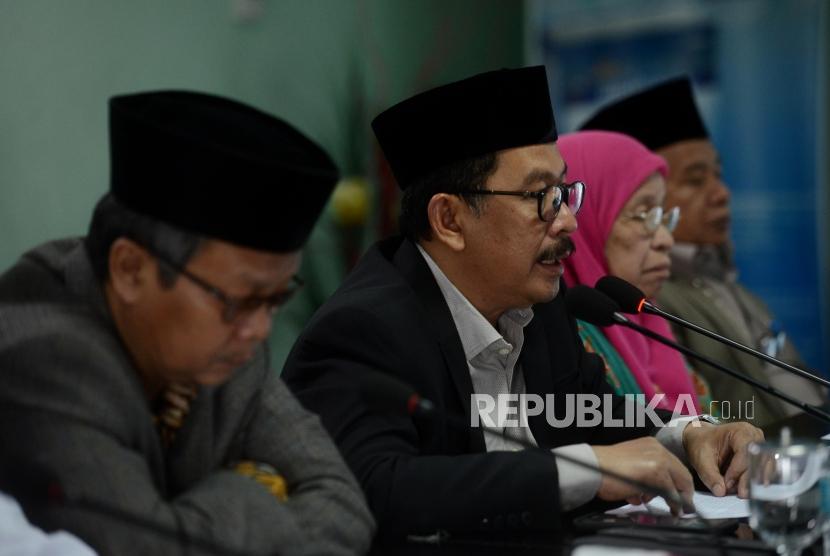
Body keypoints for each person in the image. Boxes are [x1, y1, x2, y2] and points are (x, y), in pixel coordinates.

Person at [282, 67, 762, 540]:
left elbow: (594, 411)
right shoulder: (363, 328)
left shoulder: (540, 305)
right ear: (449, 219)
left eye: (564, 193)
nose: (568, 221)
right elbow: (376, 487)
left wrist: (692, 437)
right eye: (541, 197)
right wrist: (584, 469)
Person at [0, 91, 374, 554]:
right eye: (240, 301)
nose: (259, 330)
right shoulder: (43, 357)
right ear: (131, 270)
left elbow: (346, 506)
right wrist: (251, 494)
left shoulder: (222, 343)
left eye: (275, 300)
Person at [580, 77, 825, 433]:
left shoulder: (731, 286)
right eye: (696, 181)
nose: (721, 193)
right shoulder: (646, 300)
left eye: (718, 175)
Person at [558, 131, 712, 415]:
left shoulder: (646, 319)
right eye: (643, 215)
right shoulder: (561, 342)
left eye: (664, 216)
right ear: (587, 220)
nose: (666, 239)